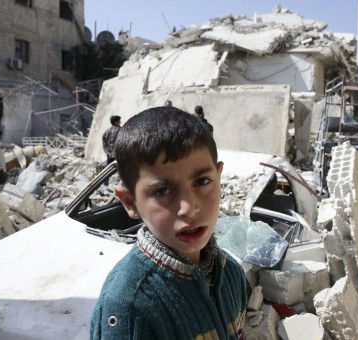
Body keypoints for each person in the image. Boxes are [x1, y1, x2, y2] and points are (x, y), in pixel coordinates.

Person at [90, 107, 247, 339]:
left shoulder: (231, 273)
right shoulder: (128, 307)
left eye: (202, 181)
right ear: (131, 202)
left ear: (219, 176)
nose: (189, 208)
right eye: (163, 190)